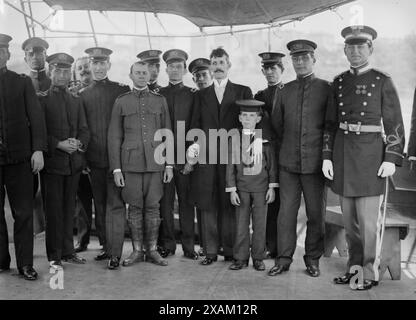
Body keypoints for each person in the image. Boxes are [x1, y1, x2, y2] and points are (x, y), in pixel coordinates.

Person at [322, 25, 405, 290]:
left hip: (371, 157)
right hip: (344, 155)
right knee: (351, 223)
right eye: (351, 47)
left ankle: (369, 273)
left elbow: (394, 124)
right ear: (345, 50)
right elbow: (330, 124)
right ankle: (354, 268)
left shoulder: (382, 80)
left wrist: (391, 158)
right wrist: (327, 157)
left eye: (361, 47)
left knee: (369, 224)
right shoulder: (338, 82)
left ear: (370, 49)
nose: (355, 52)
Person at [268, 40, 330, 278]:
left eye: (305, 58)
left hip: (315, 165)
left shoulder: (326, 88)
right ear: (291, 62)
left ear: (314, 59)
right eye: (295, 59)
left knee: (316, 214)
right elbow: (277, 126)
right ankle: (283, 259)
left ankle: (312, 259)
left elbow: (330, 126)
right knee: (286, 214)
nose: (300, 62)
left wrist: (325, 158)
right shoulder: (285, 91)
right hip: (288, 164)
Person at [189, 47, 253, 265]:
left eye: (221, 63)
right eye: (214, 63)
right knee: (207, 204)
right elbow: (194, 127)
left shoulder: (243, 91)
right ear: (210, 66)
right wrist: (193, 153)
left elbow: (249, 127)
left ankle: (231, 251)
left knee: (230, 203)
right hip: (206, 158)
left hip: (232, 158)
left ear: (229, 65)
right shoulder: (200, 96)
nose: (217, 67)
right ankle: (210, 252)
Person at [107, 61, 173, 268]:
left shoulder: (160, 100)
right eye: (138, 73)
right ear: (131, 75)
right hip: (130, 164)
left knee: (153, 207)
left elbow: (167, 133)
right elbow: (114, 136)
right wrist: (116, 168)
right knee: (134, 207)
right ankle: (137, 251)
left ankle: (152, 250)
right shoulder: (121, 102)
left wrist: (169, 164)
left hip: (155, 163)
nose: (142, 76)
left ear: (150, 75)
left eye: (145, 73)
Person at [0, 34, 47, 280]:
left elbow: (36, 118)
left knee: (24, 213)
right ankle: (1, 260)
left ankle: (26, 264)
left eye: (1, 51)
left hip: (20, 159)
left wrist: (38, 149)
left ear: (8, 55)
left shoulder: (21, 83)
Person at [40, 53, 90, 269]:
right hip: (52, 165)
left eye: (65, 71)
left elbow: (84, 129)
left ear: (70, 73)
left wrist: (77, 143)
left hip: (73, 165)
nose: (61, 75)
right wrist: (59, 144)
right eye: (57, 71)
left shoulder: (75, 100)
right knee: (54, 211)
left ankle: (68, 251)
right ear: (50, 72)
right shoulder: (41, 99)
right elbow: (39, 132)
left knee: (69, 209)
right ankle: (54, 255)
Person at [80, 47, 130, 261]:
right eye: (95, 63)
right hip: (94, 160)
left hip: (116, 160)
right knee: (99, 205)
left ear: (109, 65)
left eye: (103, 63)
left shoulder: (120, 90)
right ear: (89, 65)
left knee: (116, 204)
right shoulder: (82, 95)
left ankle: (115, 249)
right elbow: (81, 128)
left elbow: (127, 126)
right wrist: (83, 158)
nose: (99, 67)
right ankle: (106, 246)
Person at [226, 99, 277, 271]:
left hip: (261, 188)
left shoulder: (265, 140)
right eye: (244, 115)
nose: (248, 119)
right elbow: (230, 166)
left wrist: (272, 187)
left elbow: (271, 165)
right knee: (241, 224)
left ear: (258, 119)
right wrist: (232, 189)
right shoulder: (234, 139)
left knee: (260, 225)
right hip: (241, 188)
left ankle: (258, 257)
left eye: (252, 116)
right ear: (240, 118)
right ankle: (240, 258)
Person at [157, 49, 198, 260]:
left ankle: (189, 246)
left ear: (184, 70)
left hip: (185, 159)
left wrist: (191, 159)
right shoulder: (158, 94)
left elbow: (196, 130)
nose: (175, 70)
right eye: (171, 66)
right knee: (164, 203)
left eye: (179, 66)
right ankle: (168, 245)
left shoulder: (192, 95)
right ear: (166, 69)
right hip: (162, 158)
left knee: (186, 203)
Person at [254, 51, 285, 259]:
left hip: (286, 153)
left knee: (285, 203)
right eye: (266, 69)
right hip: (266, 155)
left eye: (274, 68)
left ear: (282, 70)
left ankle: (282, 247)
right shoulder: (260, 96)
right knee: (268, 202)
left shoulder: (289, 92)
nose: (270, 72)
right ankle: (268, 245)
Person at [22, 37, 51, 235]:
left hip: (54, 147)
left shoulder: (55, 81)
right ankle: (34, 233)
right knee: (28, 194)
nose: (35, 57)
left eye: (39, 53)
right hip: (29, 149)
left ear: (45, 55)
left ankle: (69, 240)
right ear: (25, 57)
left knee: (54, 196)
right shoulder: (21, 83)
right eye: (31, 54)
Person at [187, 57, 213, 257]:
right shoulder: (195, 97)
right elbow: (193, 129)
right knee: (202, 202)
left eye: (204, 74)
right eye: (197, 76)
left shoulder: (221, 94)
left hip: (222, 157)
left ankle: (222, 243)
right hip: (202, 158)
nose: (201, 79)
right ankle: (206, 244)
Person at [70, 56, 94, 253]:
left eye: (87, 67)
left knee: (105, 202)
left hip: (102, 156)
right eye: (80, 69)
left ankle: (106, 240)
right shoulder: (73, 97)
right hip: (81, 157)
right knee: (82, 203)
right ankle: (83, 240)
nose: (84, 71)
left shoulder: (101, 93)